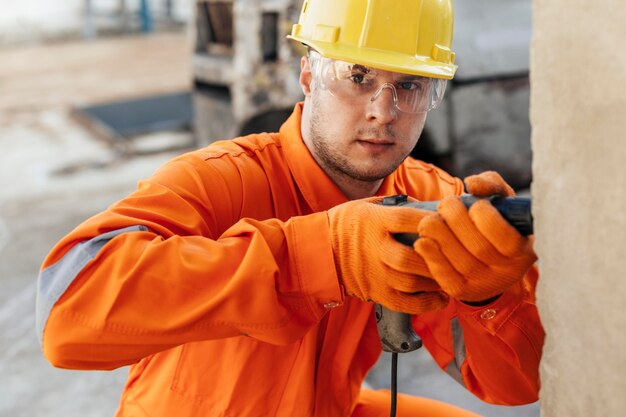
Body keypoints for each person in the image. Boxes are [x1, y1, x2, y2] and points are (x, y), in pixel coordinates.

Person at [36, 0, 544, 416]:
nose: (382, 112)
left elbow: (518, 387)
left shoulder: (429, 200)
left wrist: (489, 298)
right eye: (358, 75)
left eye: (409, 86)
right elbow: (65, 319)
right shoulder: (224, 180)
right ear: (308, 76)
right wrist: (324, 257)